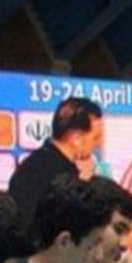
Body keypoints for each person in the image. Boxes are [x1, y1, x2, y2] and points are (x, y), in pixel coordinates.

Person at [8, 97, 102, 227]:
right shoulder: (58, 175)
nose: (99, 144)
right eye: (95, 138)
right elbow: (65, 222)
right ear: (76, 139)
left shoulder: (34, 163)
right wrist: (83, 186)